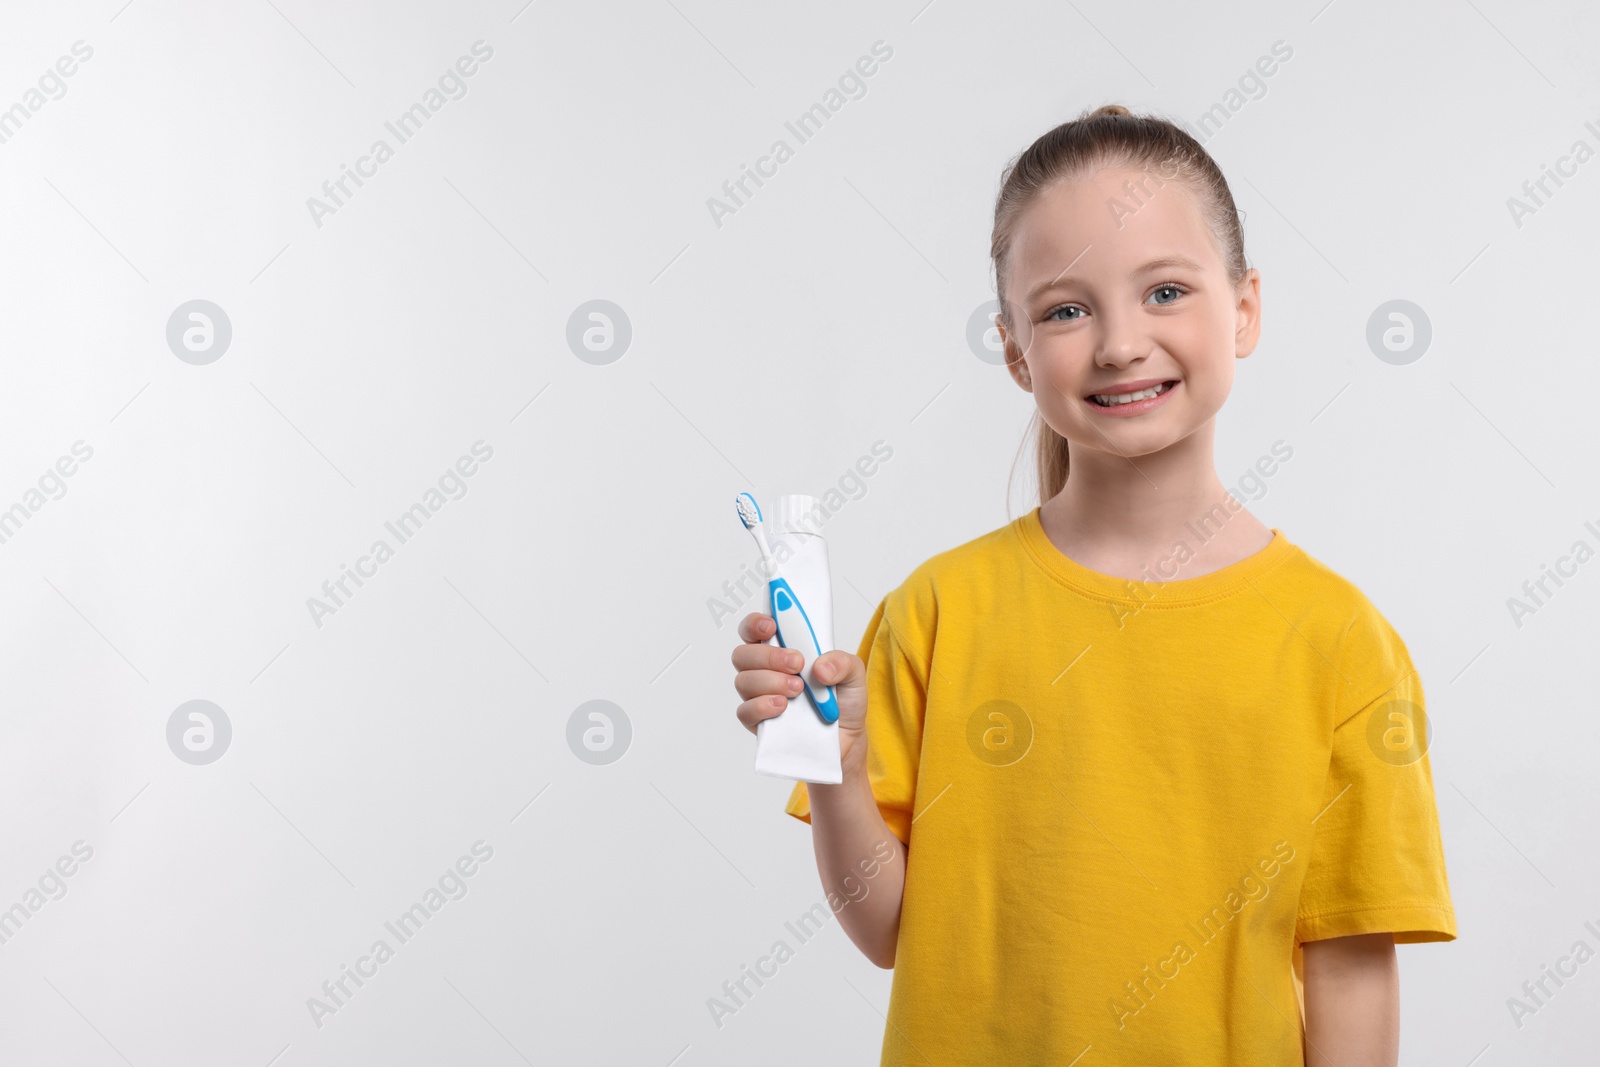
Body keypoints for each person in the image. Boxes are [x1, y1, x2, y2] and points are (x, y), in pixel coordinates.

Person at [730, 103, 1456, 1066]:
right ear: (1017, 350)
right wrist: (836, 766)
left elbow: (1351, 969)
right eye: (1067, 309)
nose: (1119, 343)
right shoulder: (936, 612)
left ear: (1243, 309)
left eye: (1165, 291)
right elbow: (889, 933)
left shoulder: (1340, 641)